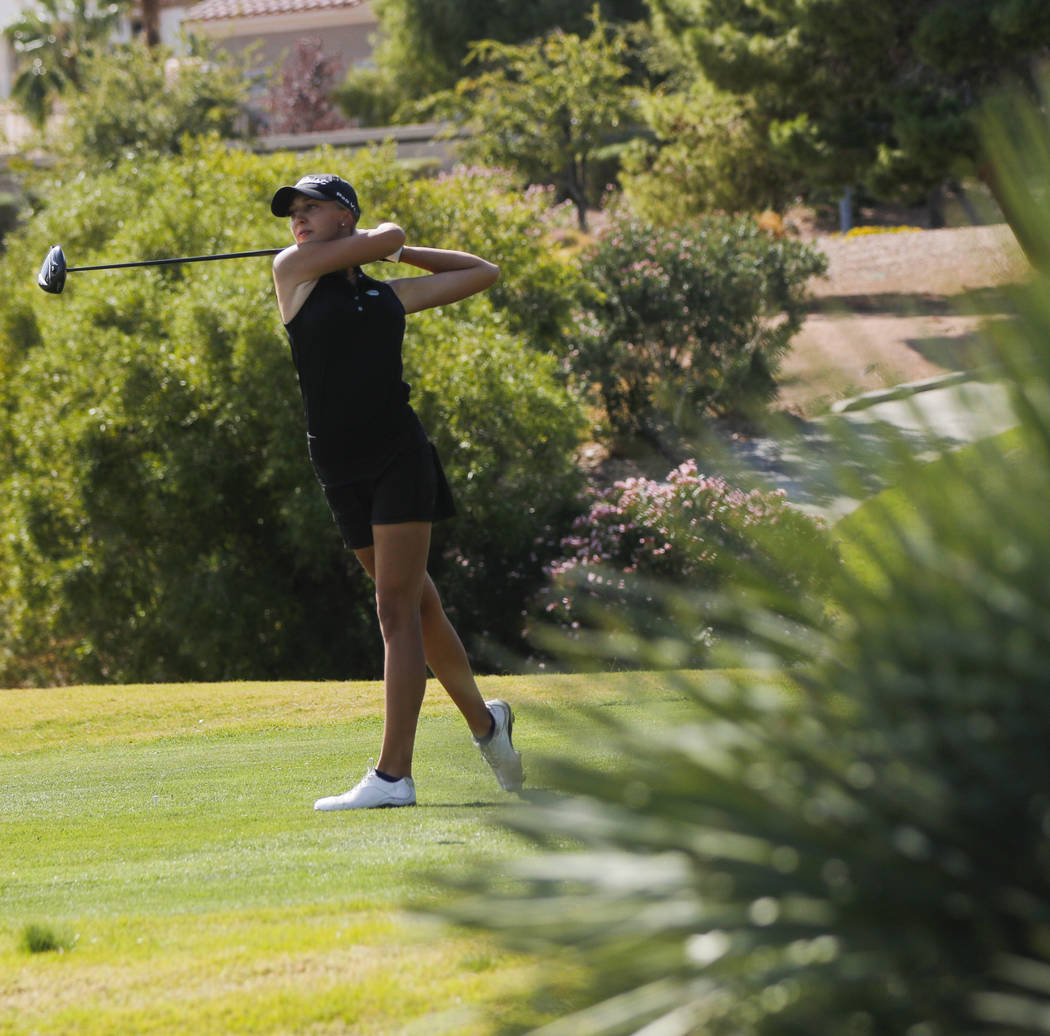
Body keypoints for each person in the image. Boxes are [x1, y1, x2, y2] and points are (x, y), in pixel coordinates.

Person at [269, 173, 523, 810]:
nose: (297, 219)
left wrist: (396, 251)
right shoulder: (291, 275)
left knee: (396, 610)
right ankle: (489, 726)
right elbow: (376, 238)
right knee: (419, 607)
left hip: (397, 457)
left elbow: (481, 272)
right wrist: (384, 238)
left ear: (344, 215)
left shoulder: (386, 297)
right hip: (337, 465)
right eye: (291, 212)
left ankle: (392, 777)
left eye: (312, 208)